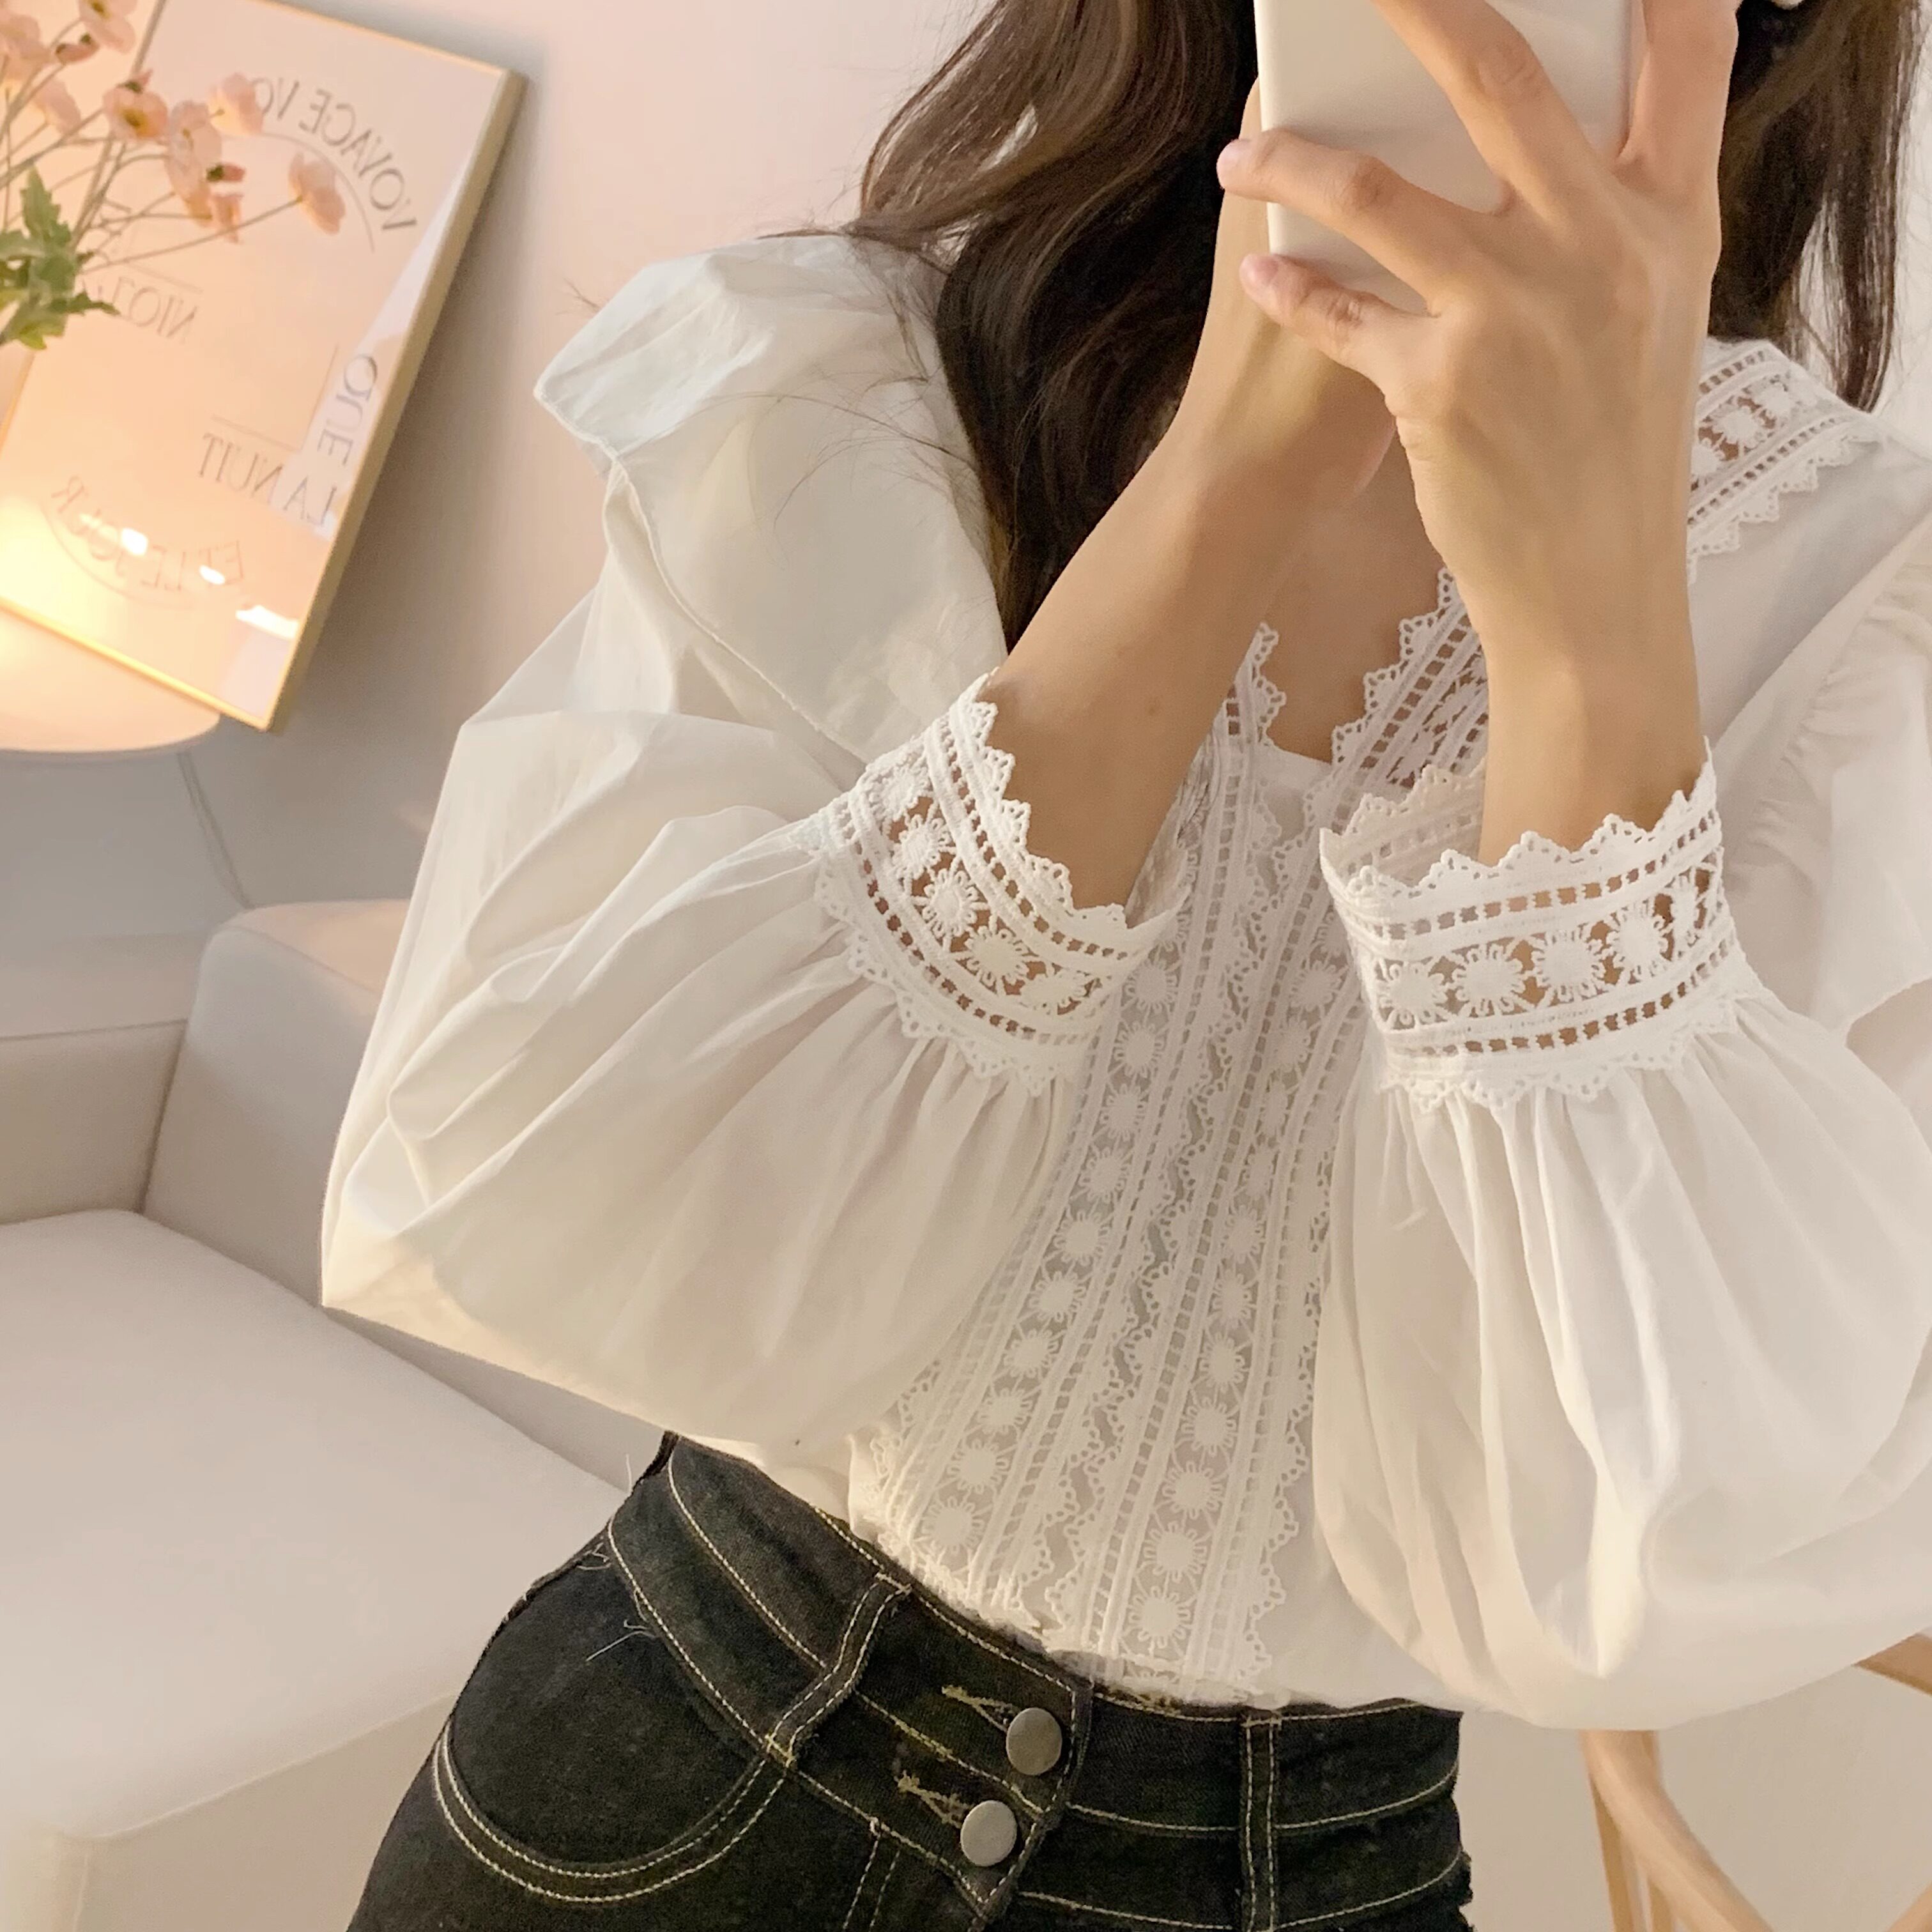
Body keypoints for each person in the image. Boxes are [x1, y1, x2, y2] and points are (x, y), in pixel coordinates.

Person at [324, 0, 1932, 1924]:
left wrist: (1591, 638)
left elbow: (1664, 1538)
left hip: (1304, 1864)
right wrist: (1221, 485)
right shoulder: (864, 375)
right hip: (667, 1774)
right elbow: (533, 1209)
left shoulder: (1870, 622)